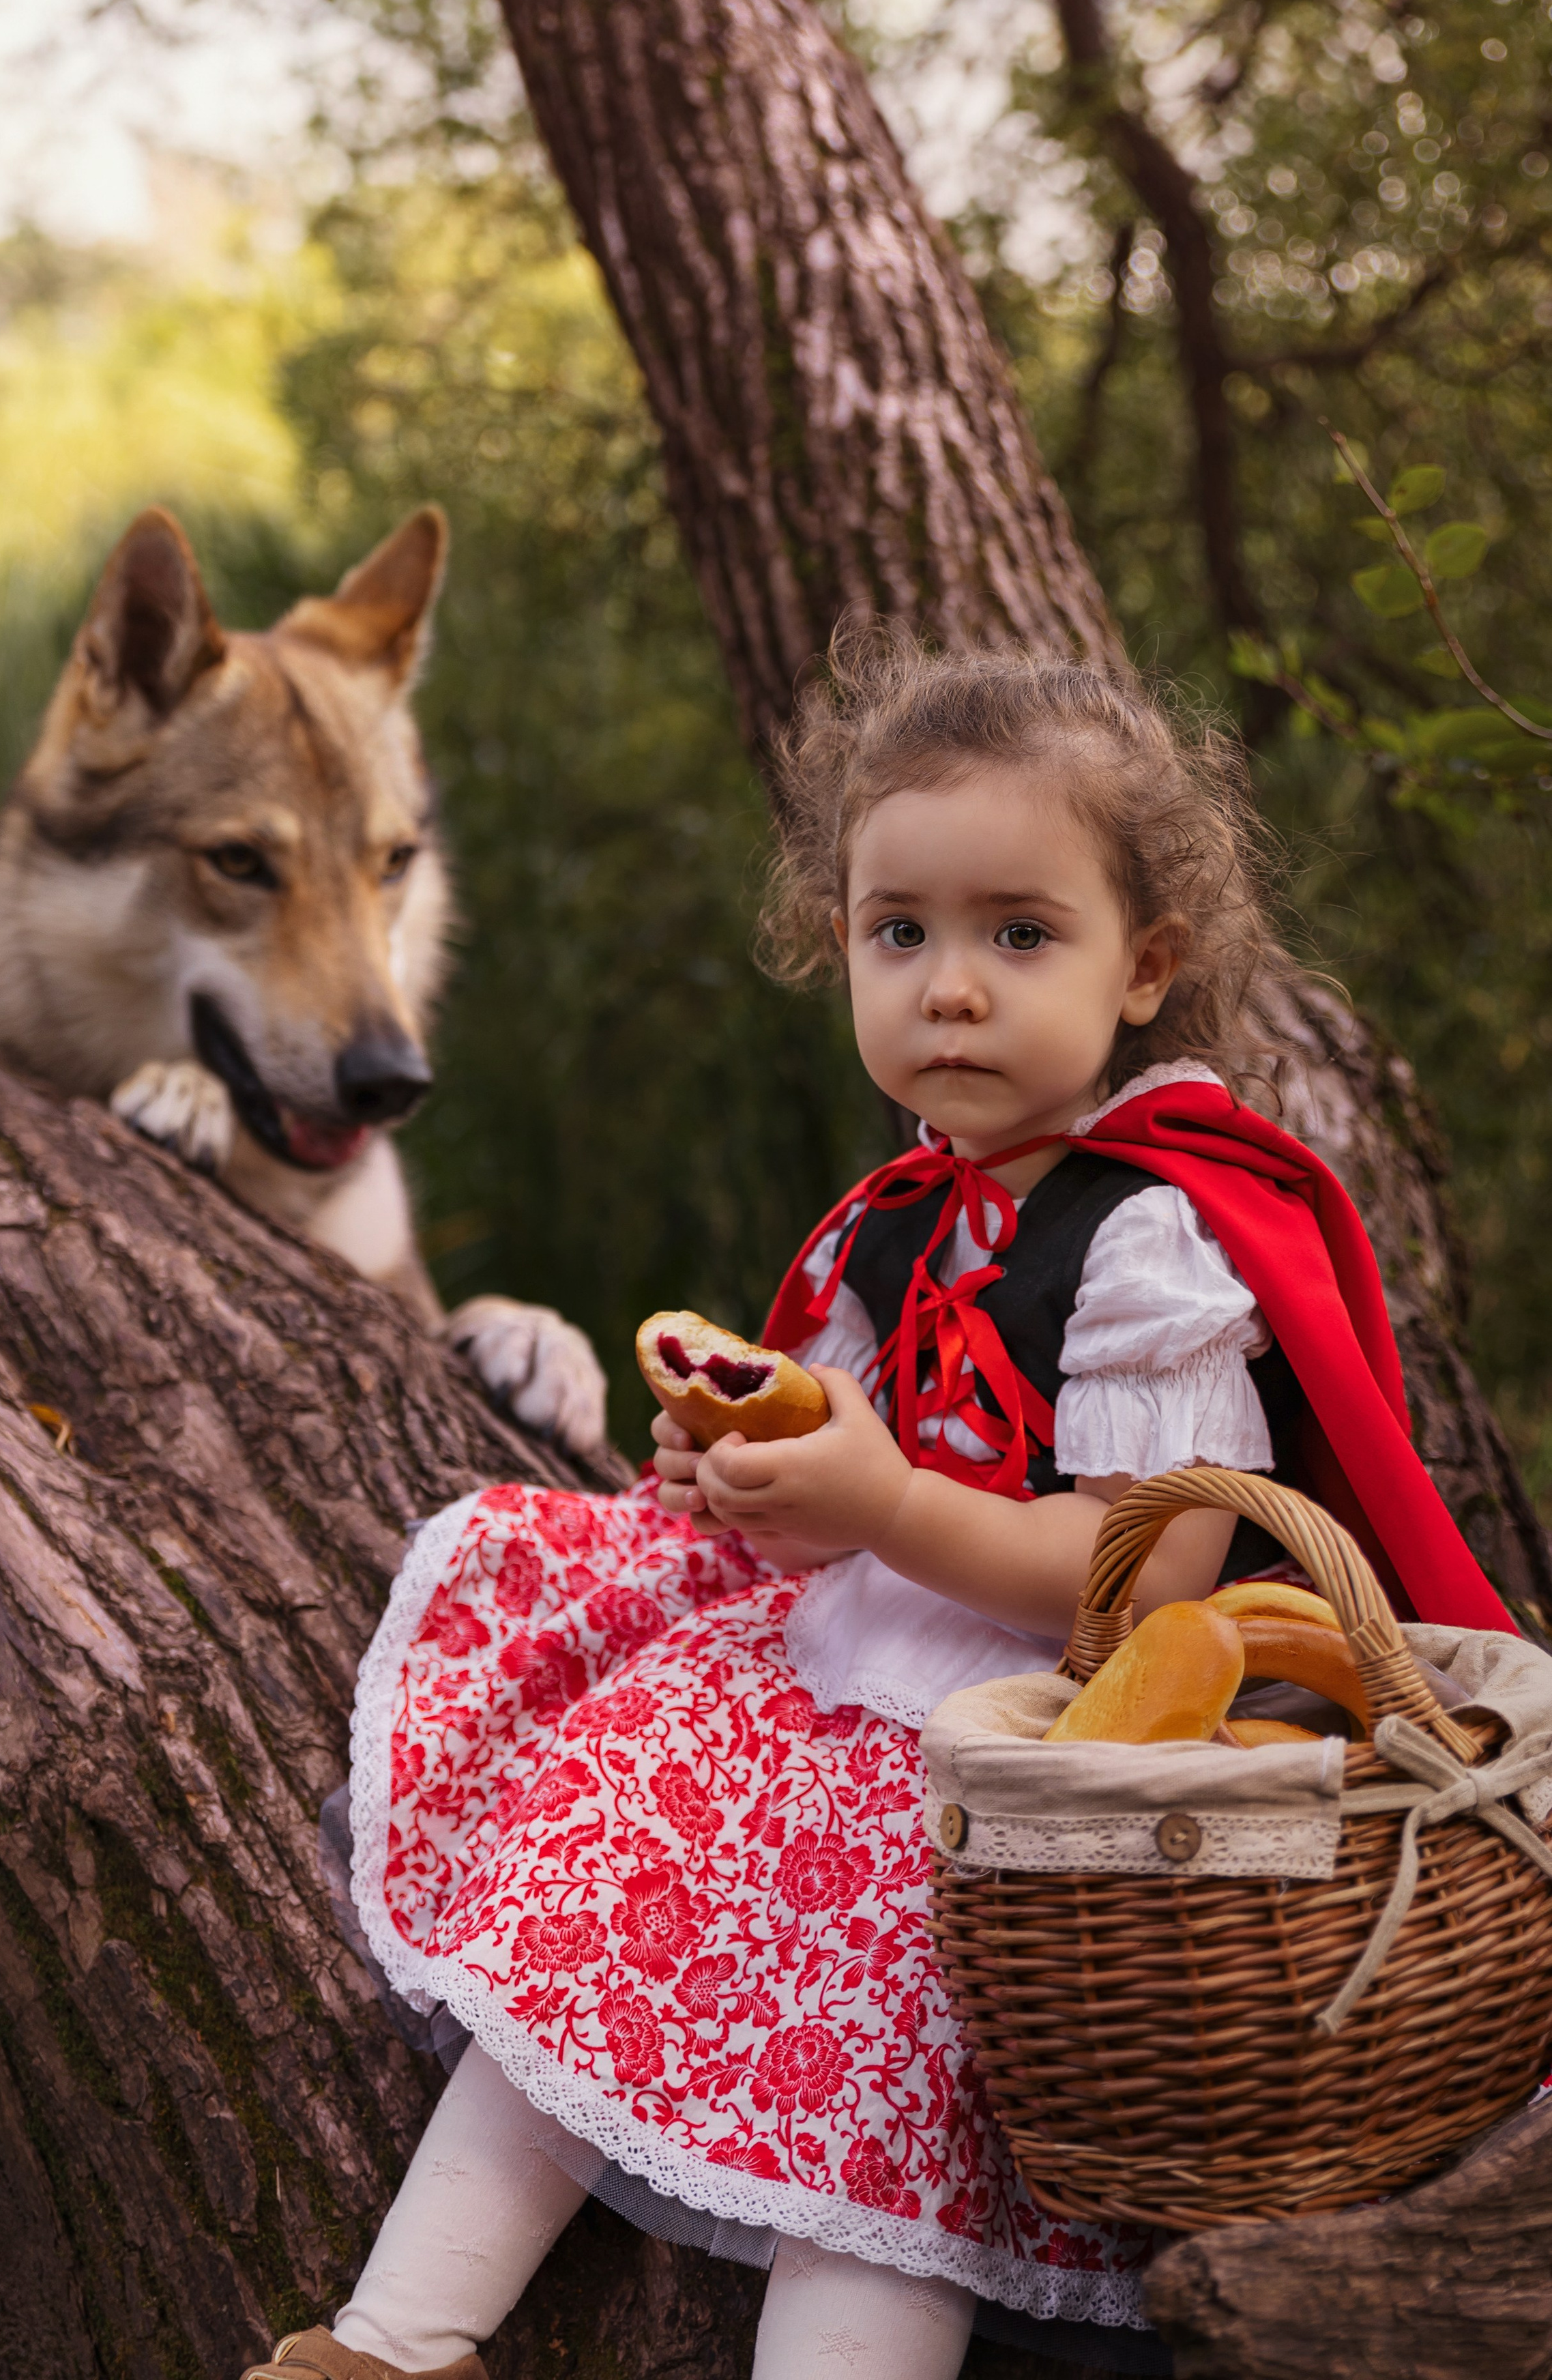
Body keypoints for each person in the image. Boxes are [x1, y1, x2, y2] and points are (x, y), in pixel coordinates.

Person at [257, 641, 1511, 2380]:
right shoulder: (888, 1222)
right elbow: (827, 1500)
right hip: (814, 1695)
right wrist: (755, 1484)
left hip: (1002, 1758)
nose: (948, 989)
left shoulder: (1145, 1241)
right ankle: (393, 2342)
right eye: (895, 931)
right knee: (586, 1947)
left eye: (1019, 933)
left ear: (1142, 968)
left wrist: (884, 1500)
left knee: (881, 2136)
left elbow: (1145, 1588)